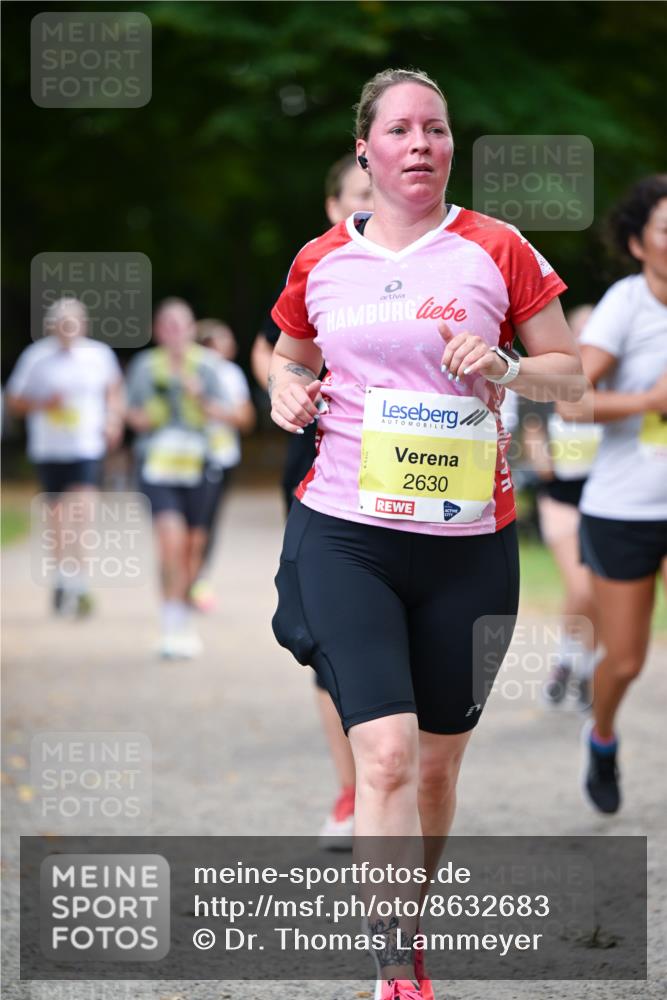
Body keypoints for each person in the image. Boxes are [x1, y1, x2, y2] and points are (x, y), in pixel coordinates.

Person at [268, 68, 583, 1000]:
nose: (419, 145)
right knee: (390, 754)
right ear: (366, 149)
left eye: (435, 130)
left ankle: (409, 921)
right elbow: (289, 359)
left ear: (450, 146)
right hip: (346, 533)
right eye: (400, 130)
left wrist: (509, 366)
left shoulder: (497, 248)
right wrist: (286, 392)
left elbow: (567, 375)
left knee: (437, 768)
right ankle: (393, 965)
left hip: (467, 543)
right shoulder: (320, 260)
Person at [252, 154, 372, 850]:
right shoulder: (313, 269)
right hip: (317, 474)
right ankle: (352, 787)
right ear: (333, 205)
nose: (370, 204)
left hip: (405, 481)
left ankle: (392, 776)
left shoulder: (432, 270)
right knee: (329, 638)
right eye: (358, 195)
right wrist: (287, 388)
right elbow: (274, 358)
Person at [567, 175, 667, 815]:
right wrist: (650, 402)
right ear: (639, 244)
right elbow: (570, 399)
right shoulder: (626, 306)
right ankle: (601, 736)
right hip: (626, 508)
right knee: (626, 661)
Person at [6, 297, 124, 616]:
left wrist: (113, 419)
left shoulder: (98, 355)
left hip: (86, 446)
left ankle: (81, 582)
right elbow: (14, 401)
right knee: (58, 518)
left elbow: (114, 390)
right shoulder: (36, 358)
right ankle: (63, 576)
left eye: (74, 322)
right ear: (52, 326)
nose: (68, 328)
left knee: (82, 512)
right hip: (49, 448)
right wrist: (44, 404)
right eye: (62, 323)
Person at [125, 298, 227, 659]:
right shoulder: (144, 367)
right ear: (157, 330)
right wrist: (145, 417)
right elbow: (130, 412)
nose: (174, 331)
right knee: (170, 540)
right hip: (157, 466)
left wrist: (201, 399)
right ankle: (170, 623)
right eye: (166, 324)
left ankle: (185, 618)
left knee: (191, 548)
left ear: (191, 328)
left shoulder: (207, 368)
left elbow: (231, 414)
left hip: (198, 465)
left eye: (180, 324)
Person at [522, 305, 601, 710]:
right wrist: (543, 461)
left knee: (597, 594)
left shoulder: (613, 381)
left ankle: (575, 665)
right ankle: (579, 664)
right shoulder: (555, 380)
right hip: (562, 497)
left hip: (605, 496)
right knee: (582, 587)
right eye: (581, 330)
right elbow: (534, 433)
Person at [189, 319, 256, 612]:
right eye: (224, 340)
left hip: (222, 455)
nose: (232, 346)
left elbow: (246, 419)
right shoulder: (188, 371)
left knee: (207, 521)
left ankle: (198, 579)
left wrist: (214, 410)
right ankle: (189, 580)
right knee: (189, 522)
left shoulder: (231, 375)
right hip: (187, 456)